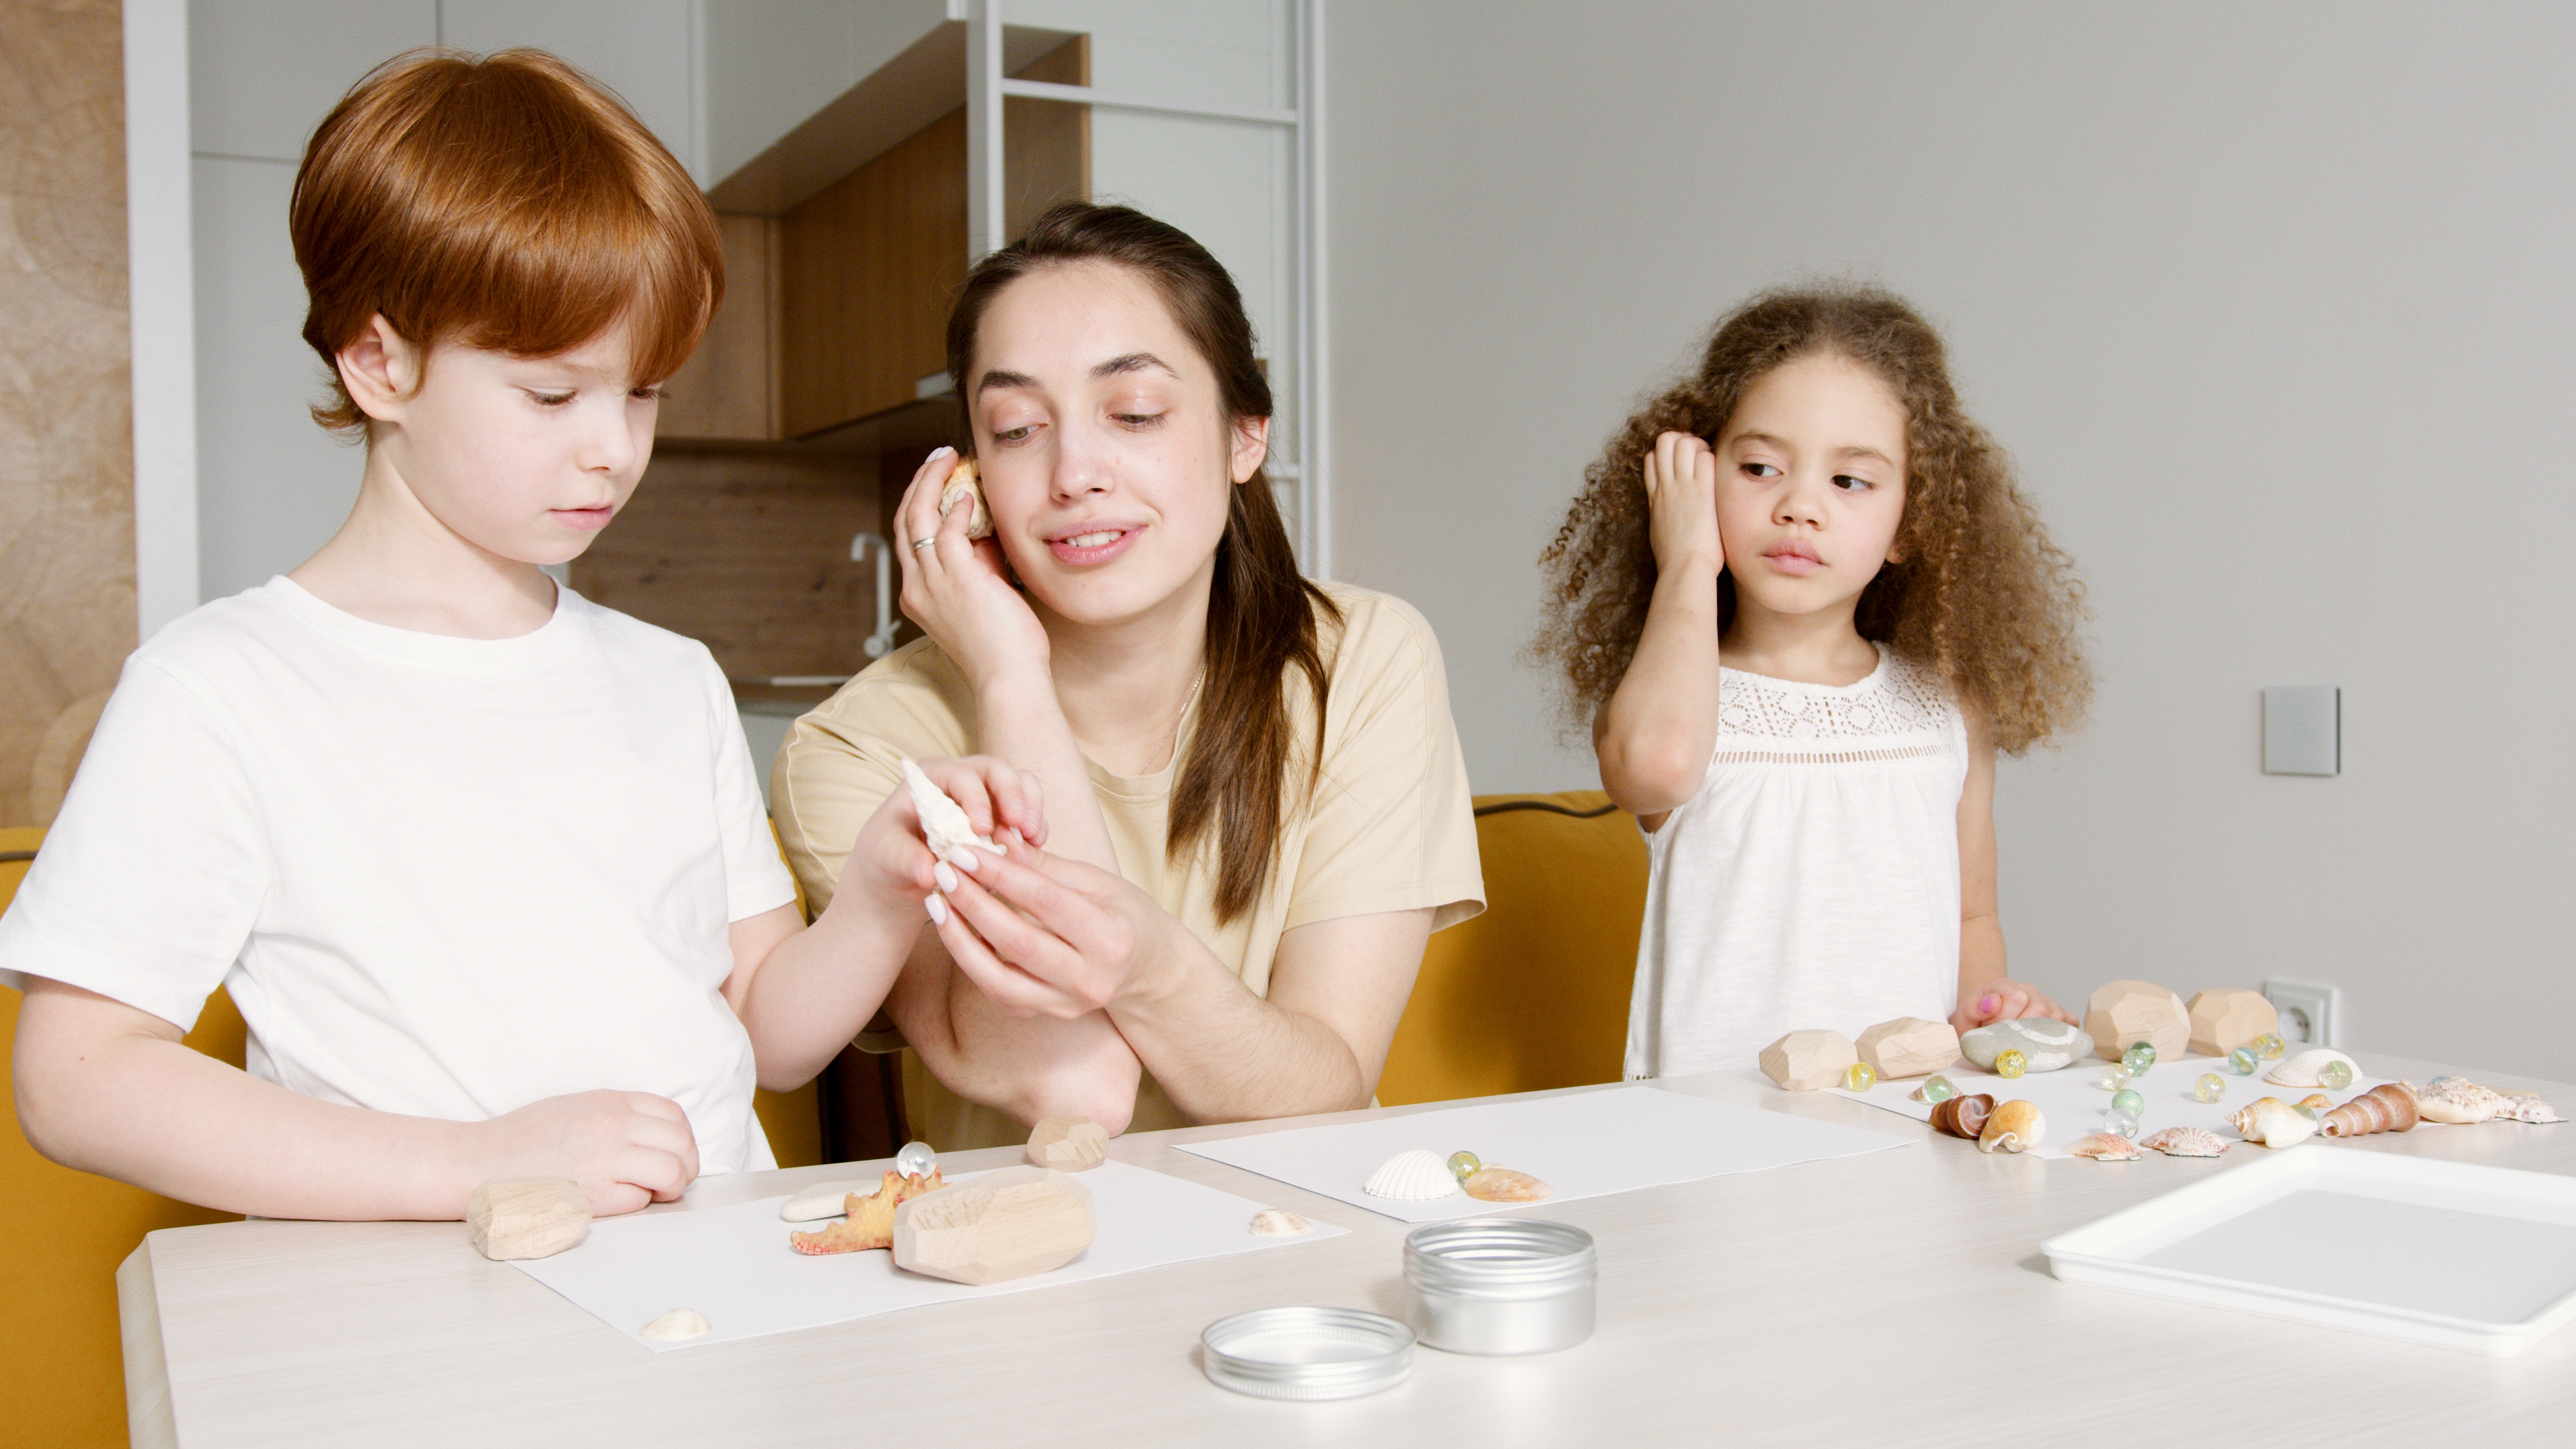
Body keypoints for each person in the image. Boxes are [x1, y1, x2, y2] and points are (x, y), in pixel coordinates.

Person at [1, 49, 979, 1220]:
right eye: (553, 396)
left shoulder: (670, 680)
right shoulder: (221, 689)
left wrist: (878, 895)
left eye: (645, 392)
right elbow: (76, 1079)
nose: (615, 447)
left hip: (707, 1294)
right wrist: (471, 1165)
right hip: (426, 1323)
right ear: (379, 363)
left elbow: (766, 1035)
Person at [772, 203, 1485, 1150]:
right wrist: (1009, 677)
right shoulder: (860, 747)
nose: (1074, 474)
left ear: (1244, 435)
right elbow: (1077, 1086)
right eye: (1019, 429)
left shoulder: (1362, 659)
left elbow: (1327, 1085)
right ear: (971, 478)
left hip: (1301, 1238)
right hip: (1027, 1265)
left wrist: (1149, 969)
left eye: (1135, 414)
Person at [1532, 285, 2092, 1082]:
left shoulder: (1944, 706)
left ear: (1912, 522)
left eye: (1851, 482)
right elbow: (1654, 768)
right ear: (1697, 479)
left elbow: (1971, 915)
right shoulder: (1674, 691)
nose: (1800, 507)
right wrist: (1688, 556)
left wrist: (1987, 1007)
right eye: (1759, 468)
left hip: (1906, 1132)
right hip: (1715, 1145)